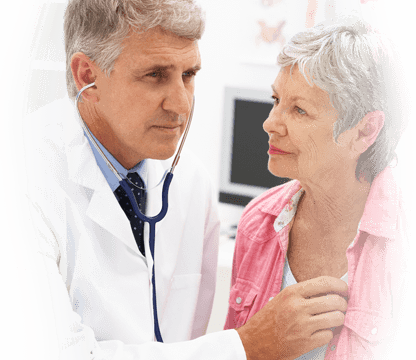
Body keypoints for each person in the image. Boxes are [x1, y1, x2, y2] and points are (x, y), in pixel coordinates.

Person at [22, 1, 350, 359]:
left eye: (189, 74)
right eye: (155, 75)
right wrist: (249, 345)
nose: (181, 104)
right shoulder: (21, 180)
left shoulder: (190, 184)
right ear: (87, 75)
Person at [225, 15, 412, 360]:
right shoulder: (257, 223)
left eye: (299, 110)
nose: (270, 123)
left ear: (364, 131)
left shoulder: (405, 249)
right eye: (275, 100)